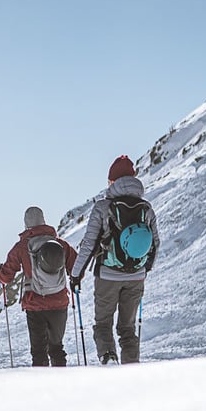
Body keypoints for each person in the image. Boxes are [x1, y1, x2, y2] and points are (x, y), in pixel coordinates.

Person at [69, 155, 160, 365]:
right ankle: (131, 367)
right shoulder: (146, 208)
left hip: (108, 276)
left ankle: (108, 358)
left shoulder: (103, 207)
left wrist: (76, 275)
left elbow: (89, 244)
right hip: (136, 277)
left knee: (103, 323)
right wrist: (145, 268)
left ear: (113, 181)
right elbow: (155, 243)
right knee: (127, 328)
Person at [0, 206, 78, 367]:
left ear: (26, 224)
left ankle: (41, 386)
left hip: (35, 304)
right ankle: (61, 381)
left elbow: (6, 276)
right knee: (56, 347)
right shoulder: (60, 244)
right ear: (43, 221)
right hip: (59, 302)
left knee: (39, 351)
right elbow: (76, 269)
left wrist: (0, 273)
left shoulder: (22, 247)